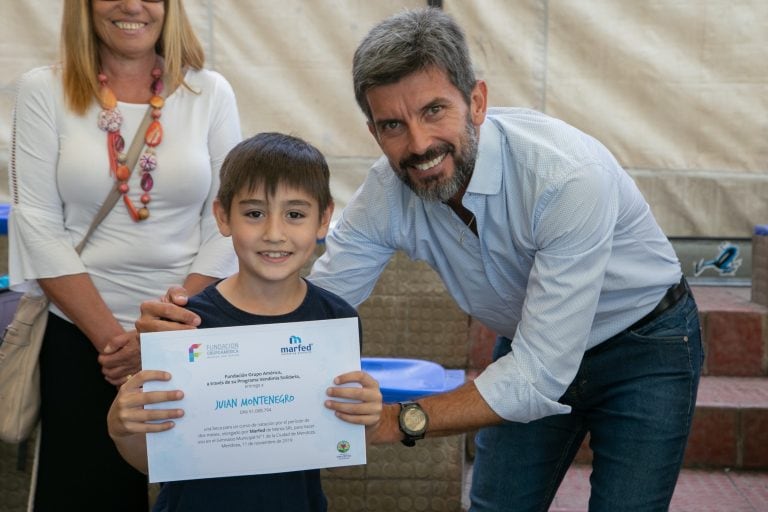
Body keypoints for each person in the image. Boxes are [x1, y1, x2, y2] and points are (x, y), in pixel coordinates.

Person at [138, 8, 704, 511]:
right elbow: (318, 305)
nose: (418, 144)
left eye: (435, 110)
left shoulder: (567, 177)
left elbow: (538, 375)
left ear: (476, 101)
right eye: (393, 124)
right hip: (530, 340)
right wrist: (195, 339)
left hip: (645, 345)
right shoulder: (388, 191)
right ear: (373, 130)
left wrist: (393, 421)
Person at [8, 1, 241, 510]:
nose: (132, 5)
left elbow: (228, 224)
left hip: (191, 337)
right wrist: (119, 344)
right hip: (83, 343)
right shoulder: (42, 90)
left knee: (202, 495)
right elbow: (37, 225)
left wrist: (159, 335)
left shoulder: (210, 93)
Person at [107, 132, 382, 512]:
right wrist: (121, 427)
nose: (274, 233)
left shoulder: (336, 321)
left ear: (324, 219)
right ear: (223, 217)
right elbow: (157, 461)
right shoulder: (183, 324)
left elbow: (332, 443)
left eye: (295, 214)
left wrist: (365, 420)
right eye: (254, 213)